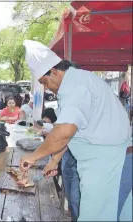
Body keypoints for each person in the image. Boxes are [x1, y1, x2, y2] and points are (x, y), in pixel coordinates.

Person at [19, 40, 131, 221]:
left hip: (110, 163)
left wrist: (32, 157)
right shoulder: (74, 83)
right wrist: (54, 160)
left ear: (54, 71)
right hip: (102, 161)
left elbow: (64, 132)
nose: (46, 87)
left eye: (45, 82)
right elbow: (72, 132)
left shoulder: (76, 85)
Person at [41, 107, 81, 221]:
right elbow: (65, 137)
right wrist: (55, 160)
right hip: (67, 154)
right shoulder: (63, 104)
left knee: (75, 198)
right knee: (69, 194)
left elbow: (68, 134)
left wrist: (54, 160)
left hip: (80, 156)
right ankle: (73, 215)